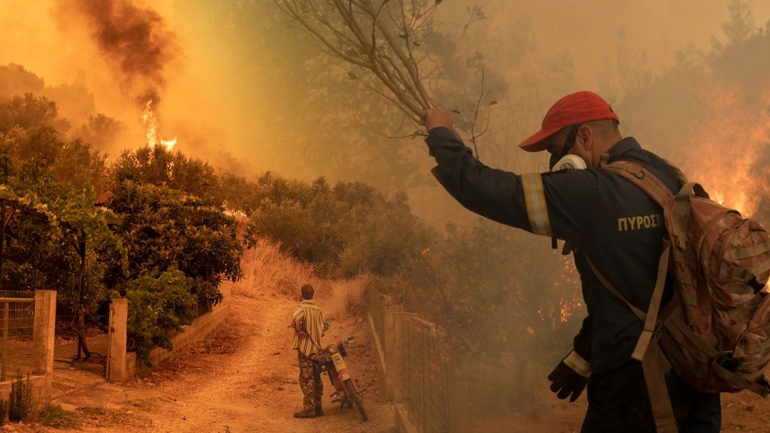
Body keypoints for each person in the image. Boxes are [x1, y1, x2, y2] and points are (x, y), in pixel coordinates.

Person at [422, 91, 721, 432]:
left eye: (554, 150)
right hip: (695, 380)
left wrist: (442, 135)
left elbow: (489, 190)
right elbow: (637, 285)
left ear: (584, 137)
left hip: (634, 388)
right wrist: (583, 356)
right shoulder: (669, 176)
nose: (554, 165)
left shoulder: (592, 190)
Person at [291, 283, 330, 419]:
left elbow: (295, 319)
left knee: (306, 378)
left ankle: (309, 408)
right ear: (312, 295)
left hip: (305, 348)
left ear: (301, 295)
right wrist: (319, 331)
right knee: (317, 377)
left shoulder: (301, 308)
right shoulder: (319, 310)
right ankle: (318, 407)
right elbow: (327, 324)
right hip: (317, 349)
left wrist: (299, 330)